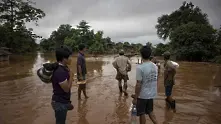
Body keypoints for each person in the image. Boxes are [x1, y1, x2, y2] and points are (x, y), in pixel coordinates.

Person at [132, 46, 158, 124]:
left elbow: (138, 84)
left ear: (141, 54)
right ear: (150, 54)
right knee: (150, 112)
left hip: (143, 95)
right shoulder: (155, 66)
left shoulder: (140, 68)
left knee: (141, 113)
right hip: (152, 94)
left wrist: (135, 97)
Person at [51, 46, 74, 124]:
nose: (71, 58)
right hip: (59, 103)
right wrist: (71, 76)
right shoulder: (60, 72)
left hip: (62, 101)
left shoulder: (63, 67)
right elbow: (67, 89)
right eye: (70, 56)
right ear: (64, 58)